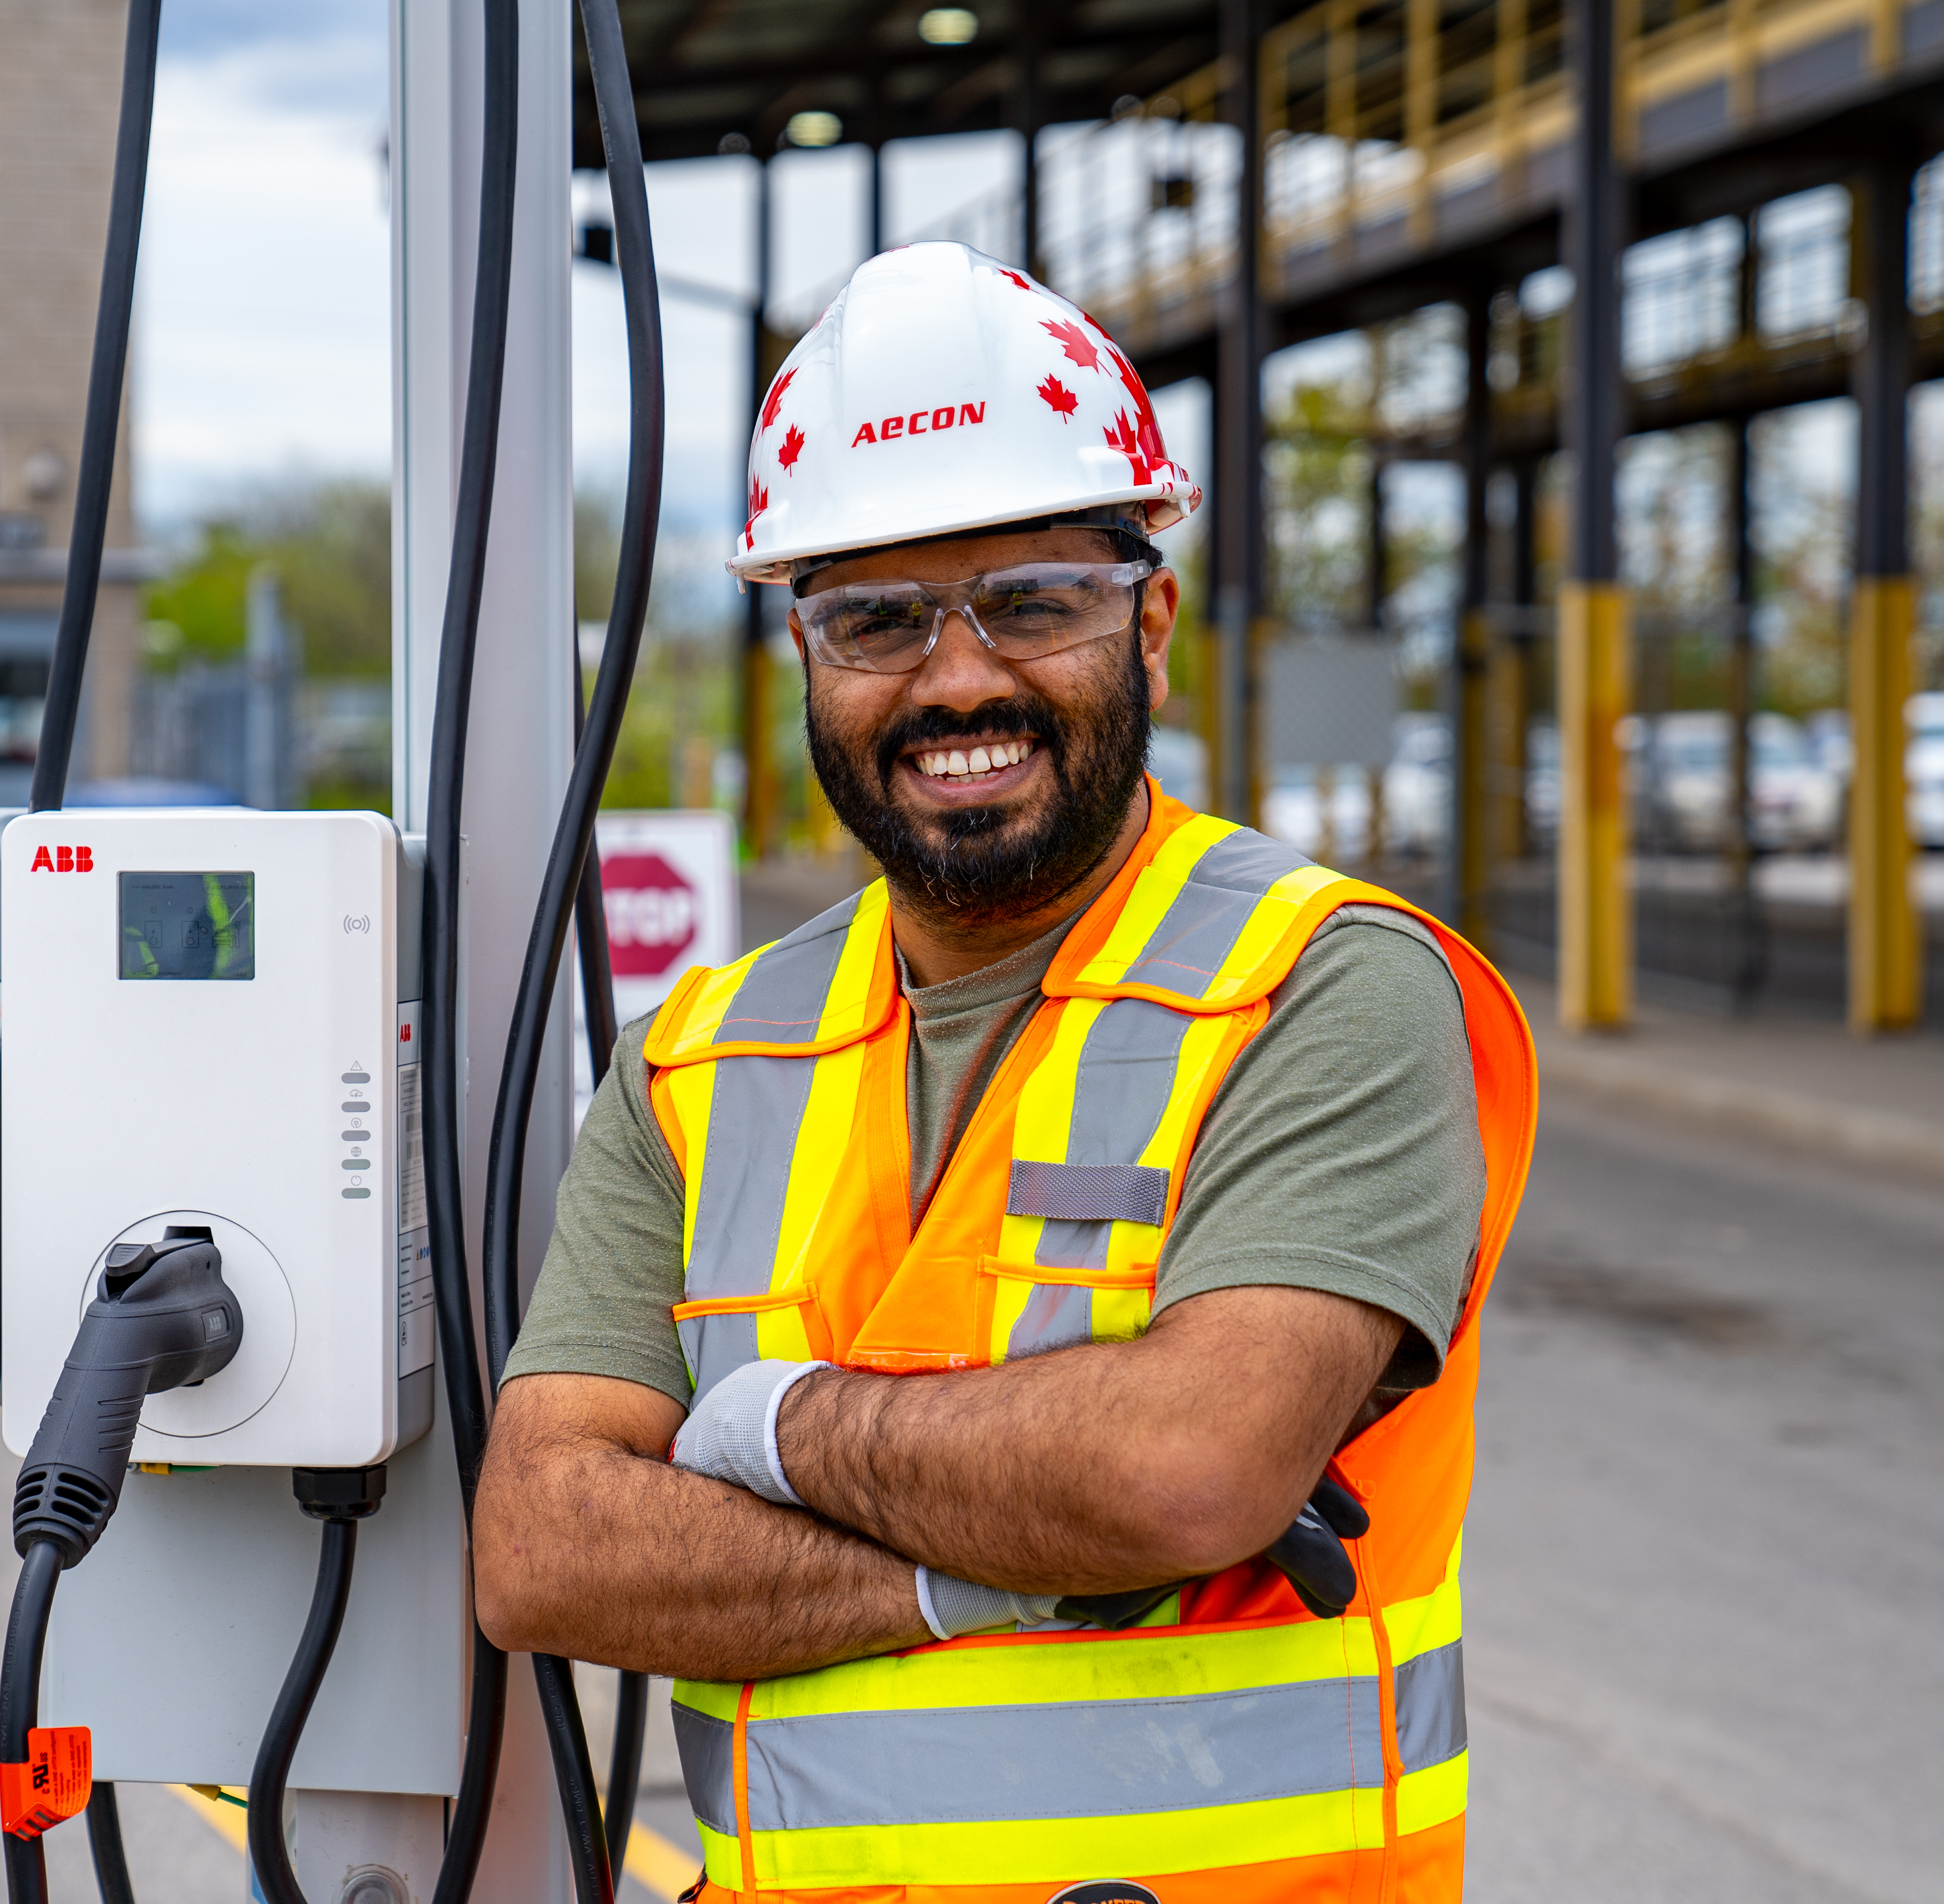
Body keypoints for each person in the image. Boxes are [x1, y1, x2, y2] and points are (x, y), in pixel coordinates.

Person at [471, 243, 1537, 1904]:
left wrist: (761, 1427)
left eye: (1032, 602)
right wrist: (1014, 1572)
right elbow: (543, 1547)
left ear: (1153, 622)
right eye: (879, 619)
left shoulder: (1323, 984)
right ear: (805, 662)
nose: (958, 678)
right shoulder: (698, 1057)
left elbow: (1189, 1468)